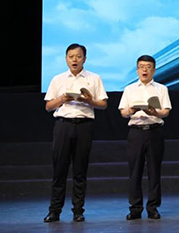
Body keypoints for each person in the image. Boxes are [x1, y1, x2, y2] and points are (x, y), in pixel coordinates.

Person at [43, 43, 108, 223]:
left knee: (80, 170)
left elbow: (103, 104)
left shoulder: (94, 78)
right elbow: (48, 106)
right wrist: (62, 99)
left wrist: (90, 101)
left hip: (84, 125)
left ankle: (78, 211)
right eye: (71, 56)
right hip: (63, 125)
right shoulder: (58, 79)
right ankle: (54, 211)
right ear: (66, 59)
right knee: (59, 170)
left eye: (78, 56)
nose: (75, 60)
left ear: (84, 59)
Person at [119, 55, 172, 220]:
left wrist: (154, 112)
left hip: (154, 131)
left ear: (153, 70)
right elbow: (123, 112)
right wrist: (132, 110)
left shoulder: (161, 89)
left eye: (148, 67)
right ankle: (135, 208)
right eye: (141, 66)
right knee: (135, 171)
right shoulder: (129, 89)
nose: (144, 70)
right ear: (137, 70)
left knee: (154, 171)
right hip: (136, 132)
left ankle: (153, 208)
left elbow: (166, 111)